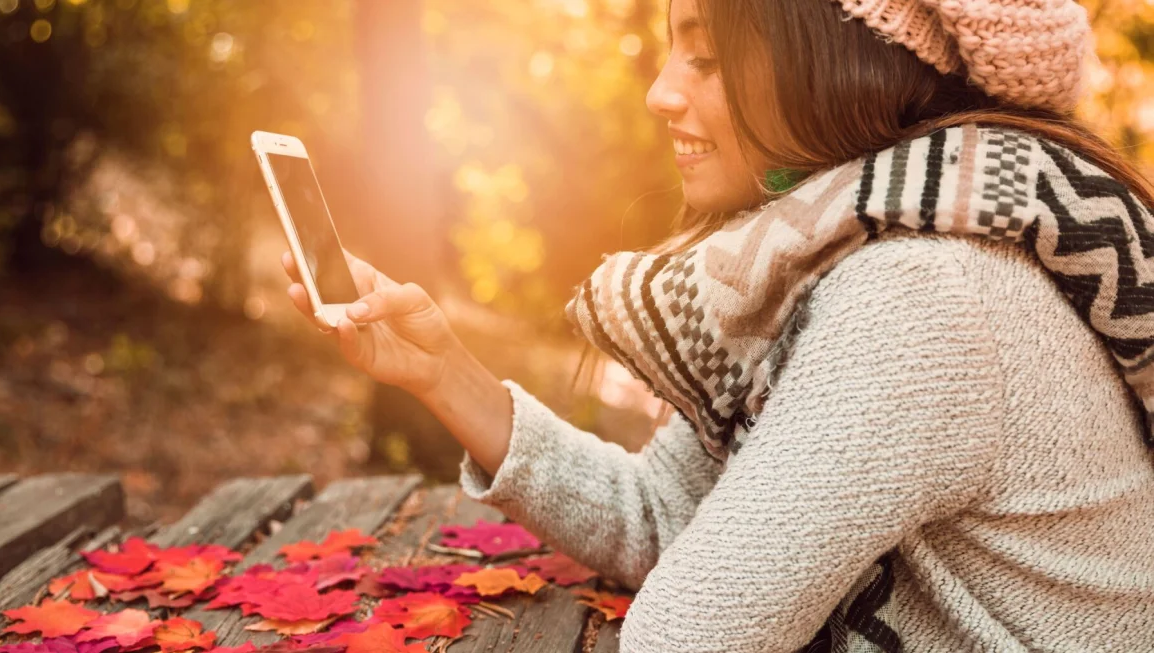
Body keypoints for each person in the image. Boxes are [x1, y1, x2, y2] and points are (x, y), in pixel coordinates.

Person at [282, 0, 1154, 650]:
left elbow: (687, 636)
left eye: (704, 58)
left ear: (840, 59)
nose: (662, 93)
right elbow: (664, 517)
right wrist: (444, 372)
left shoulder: (923, 292)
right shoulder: (839, 252)